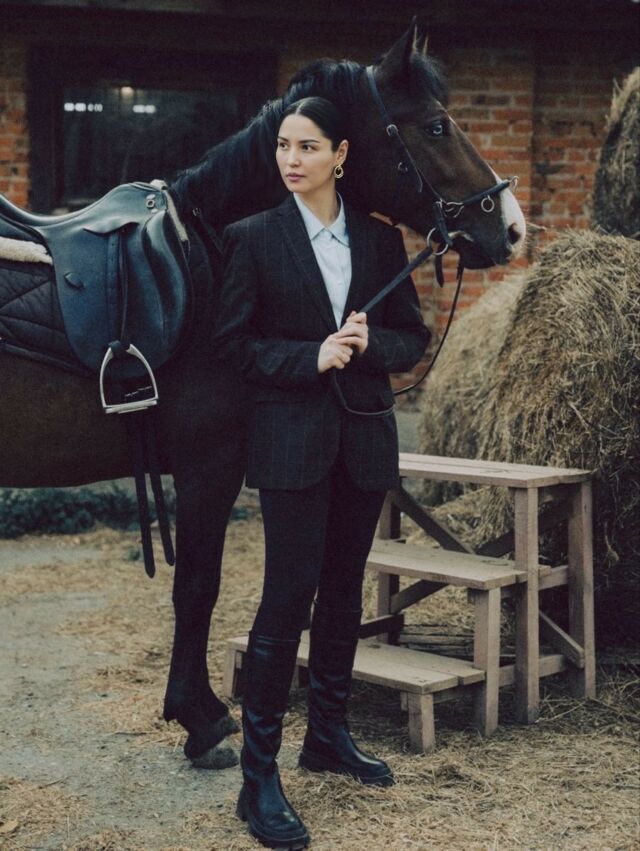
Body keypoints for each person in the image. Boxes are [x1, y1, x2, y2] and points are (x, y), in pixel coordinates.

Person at [214, 96, 430, 849]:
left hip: (363, 441)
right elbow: (232, 346)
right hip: (292, 447)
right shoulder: (252, 238)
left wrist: (371, 346)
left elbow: (412, 336)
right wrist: (309, 357)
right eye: (283, 145)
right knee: (286, 601)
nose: (291, 159)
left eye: (307, 146)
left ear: (340, 154)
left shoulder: (378, 239)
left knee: (343, 593)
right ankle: (258, 779)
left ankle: (328, 737)